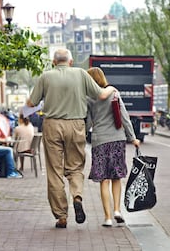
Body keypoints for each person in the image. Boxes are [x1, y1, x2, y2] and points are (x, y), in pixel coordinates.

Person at [26, 48, 116, 228]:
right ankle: (77, 196)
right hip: (76, 124)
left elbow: (30, 104)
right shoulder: (81, 74)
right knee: (75, 167)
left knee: (54, 171)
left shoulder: (46, 76)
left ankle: (61, 216)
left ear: (53, 61)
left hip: (52, 125)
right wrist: (111, 88)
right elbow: (101, 95)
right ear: (71, 61)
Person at [86, 67, 140, 227]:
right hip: (117, 139)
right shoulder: (114, 94)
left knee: (104, 179)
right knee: (116, 177)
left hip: (99, 140)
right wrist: (133, 138)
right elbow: (124, 117)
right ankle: (117, 210)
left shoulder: (89, 98)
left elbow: (88, 123)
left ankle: (108, 217)